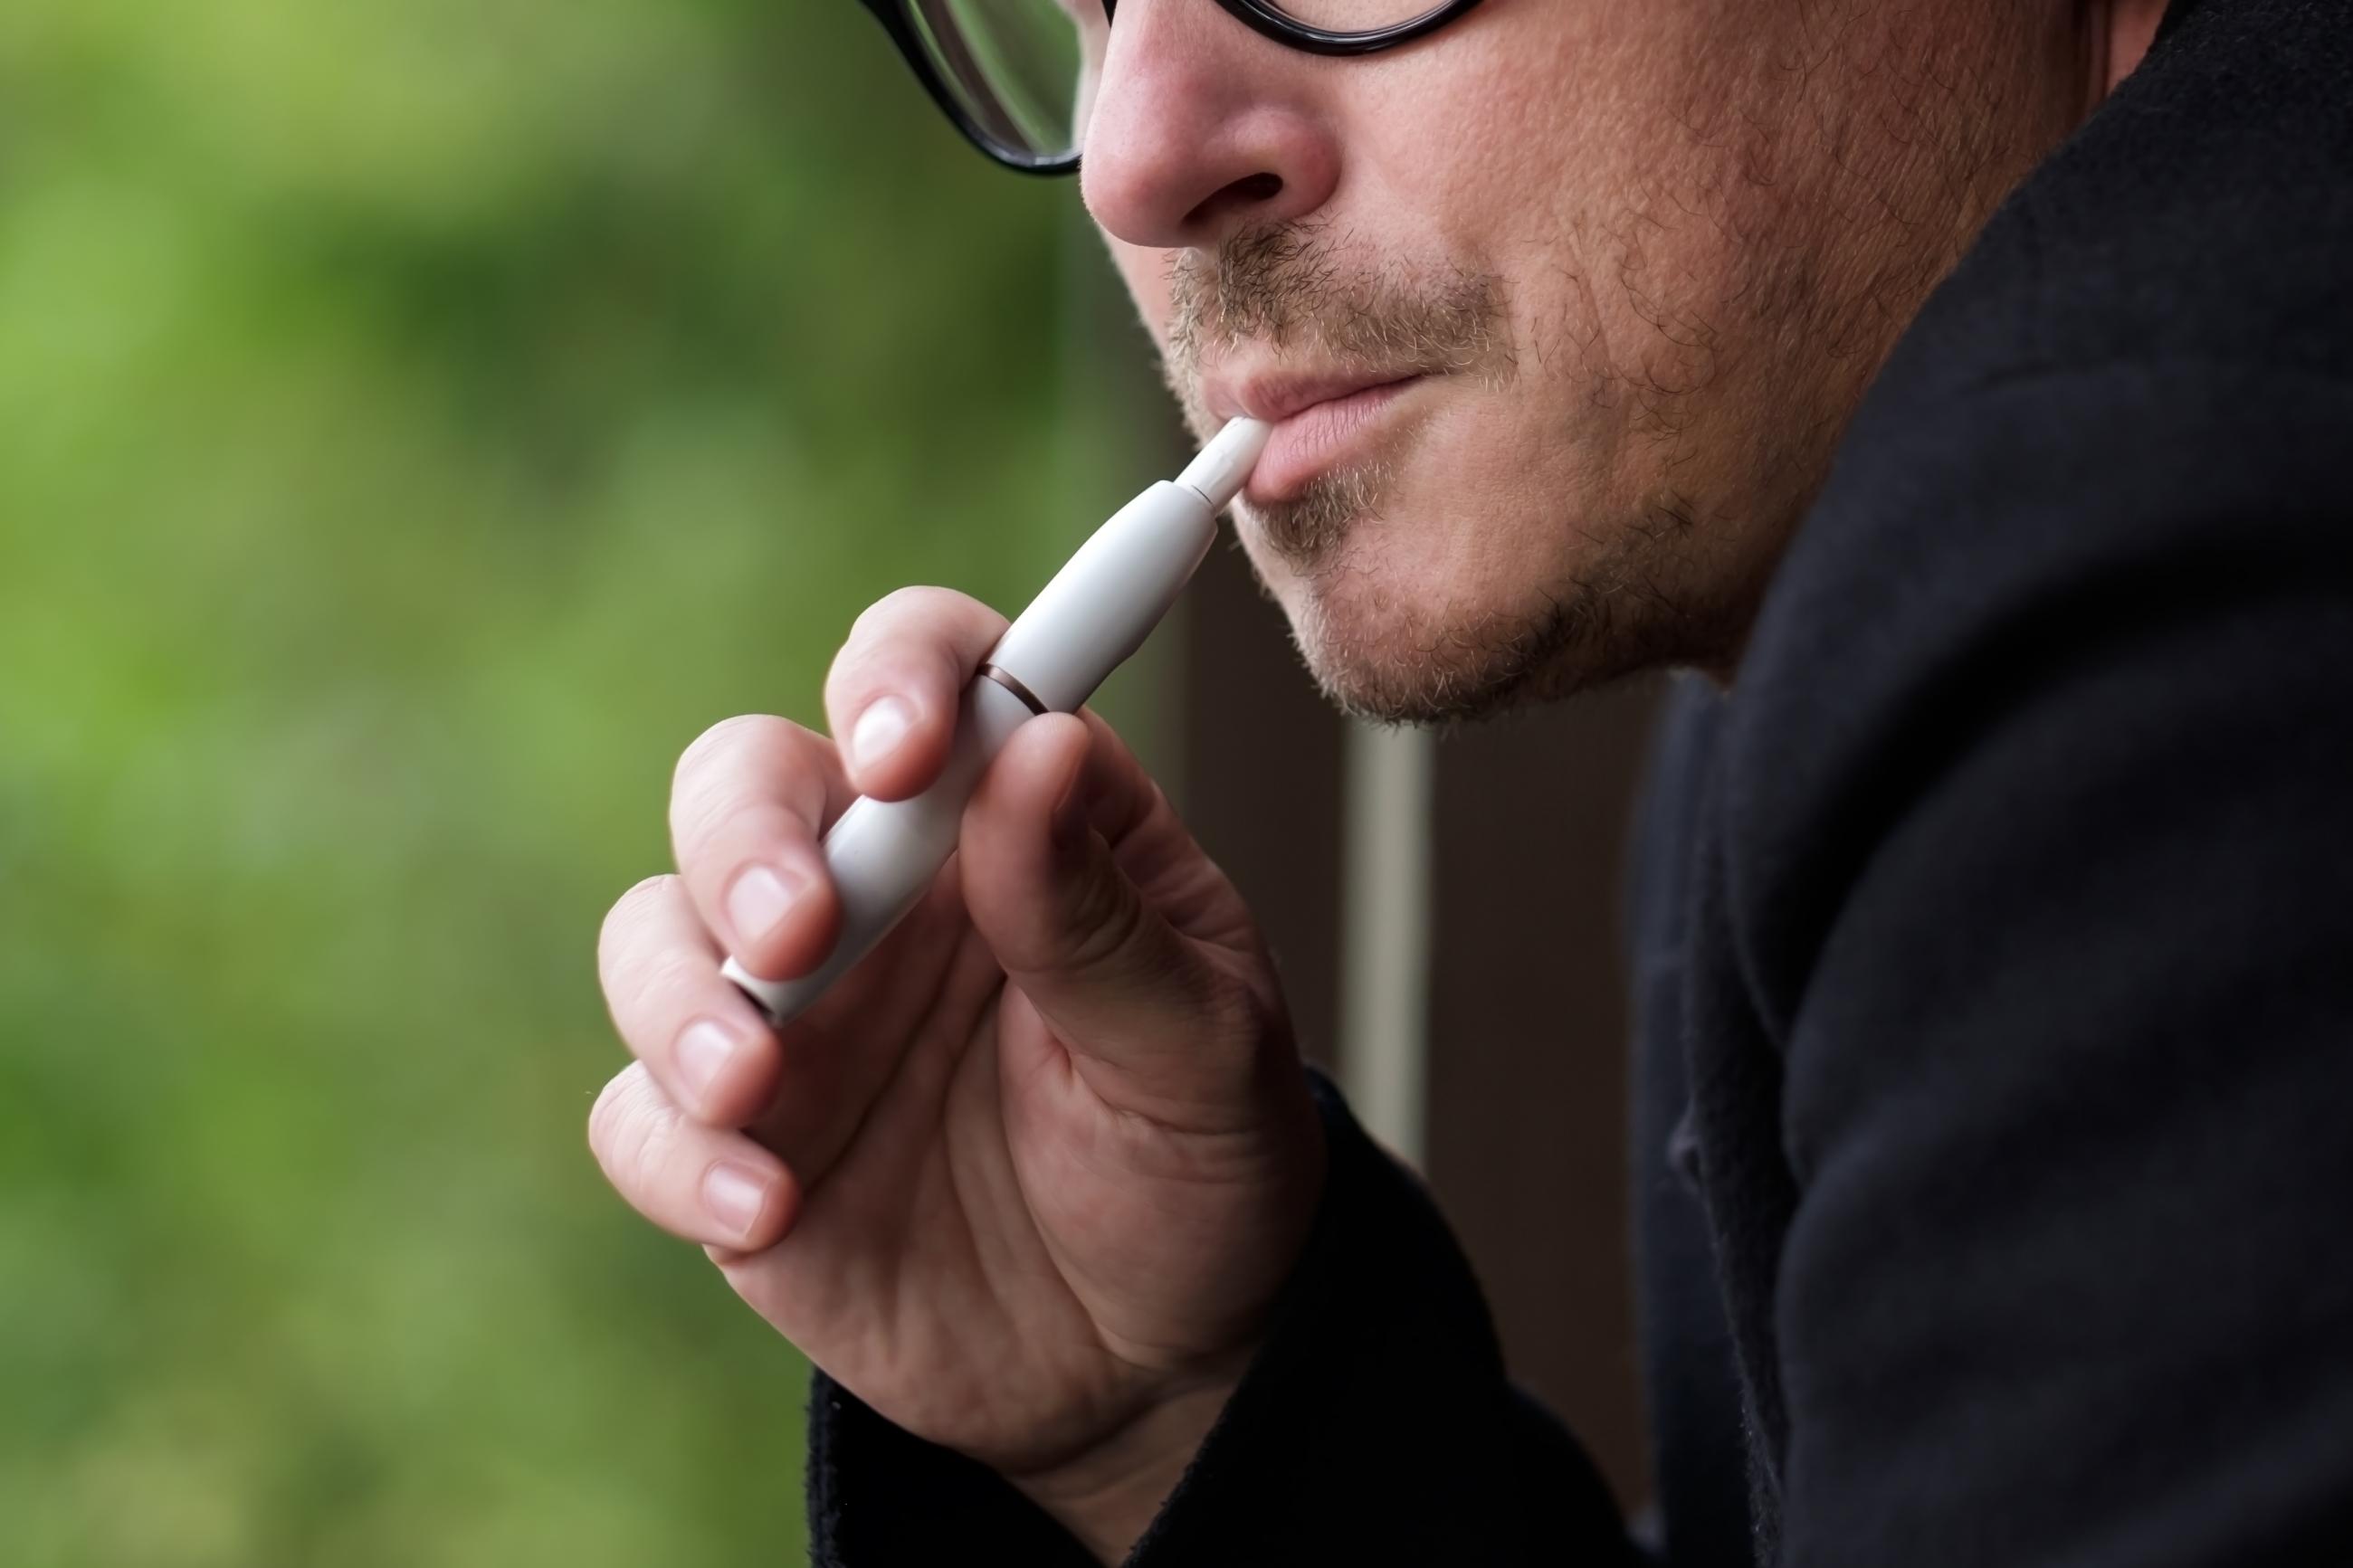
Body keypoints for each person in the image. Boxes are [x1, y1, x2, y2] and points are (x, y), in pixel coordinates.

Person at [586, 0, 2353, 1560]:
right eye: (1078, 5)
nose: (1136, 160)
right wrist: (1177, 1421)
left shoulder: (2147, 571)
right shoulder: (1814, 606)